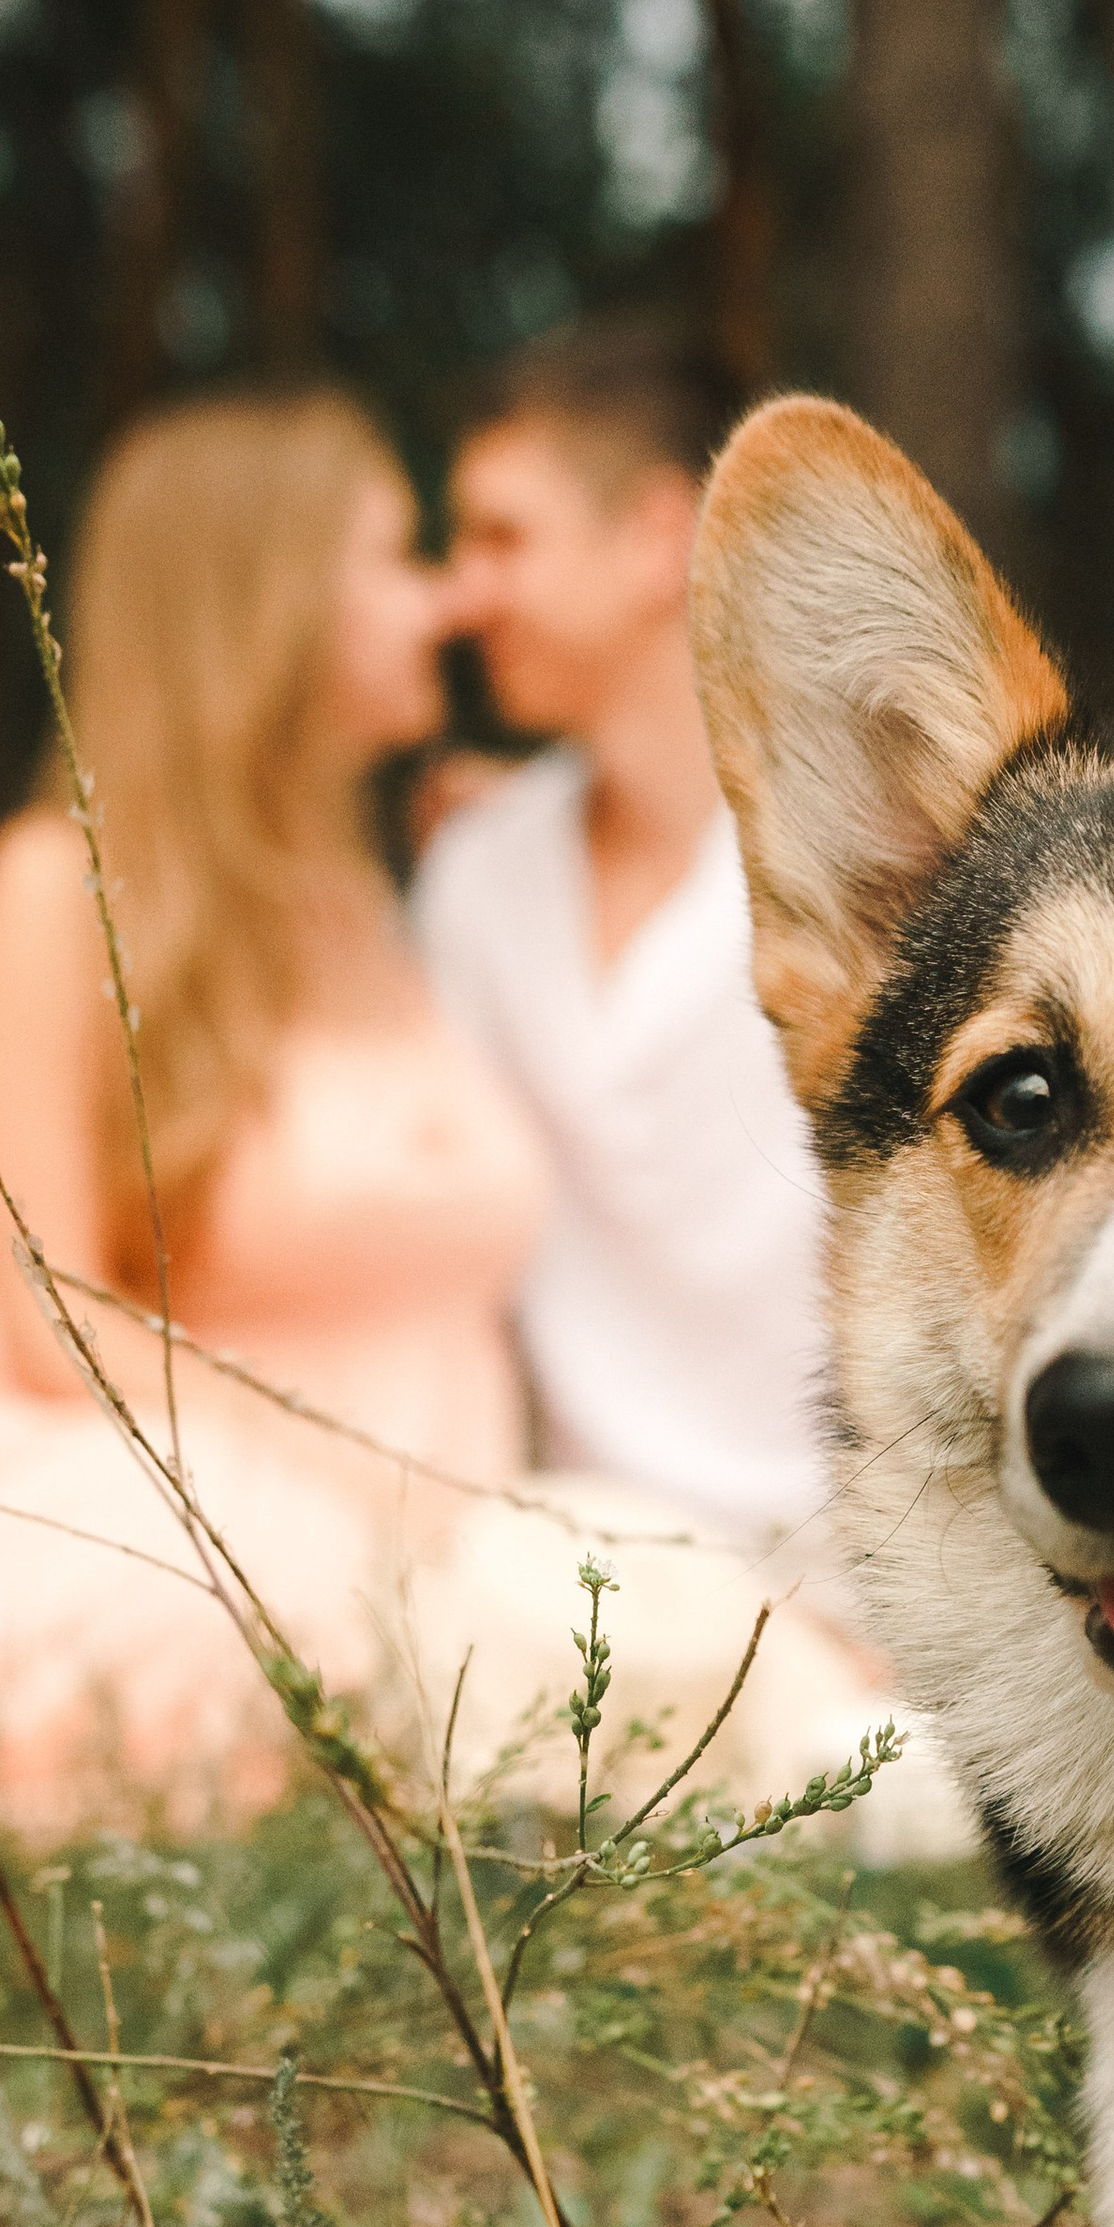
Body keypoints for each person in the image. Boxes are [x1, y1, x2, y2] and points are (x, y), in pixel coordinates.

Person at [0, 384, 926, 1874]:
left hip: (426, 1515)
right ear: (275, 600)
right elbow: (42, 1302)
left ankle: (869, 1770)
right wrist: (382, 1496)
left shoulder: (407, 895)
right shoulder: (56, 891)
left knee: (576, 1655)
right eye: (400, 556)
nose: (447, 601)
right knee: (193, 1681)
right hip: (152, 1468)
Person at [413, 320, 831, 1556]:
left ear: (658, 536)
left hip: (858, 1597)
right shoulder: (475, 876)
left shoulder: (860, 871)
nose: (461, 592)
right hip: (565, 1572)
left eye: (502, 536)